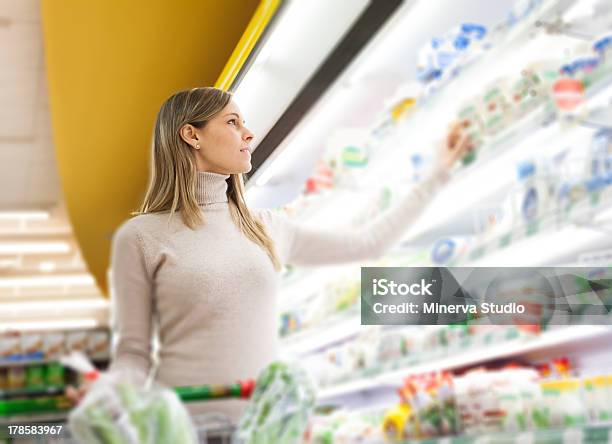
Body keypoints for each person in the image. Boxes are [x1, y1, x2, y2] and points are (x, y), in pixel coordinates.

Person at [67, 87, 472, 422]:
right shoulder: (141, 236)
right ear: (191, 134)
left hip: (268, 427)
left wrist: (438, 174)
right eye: (232, 122)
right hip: (183, 430)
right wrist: (103, 398)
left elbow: (368, 244)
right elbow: (134, 355)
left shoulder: (266, 226)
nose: (249, 134)